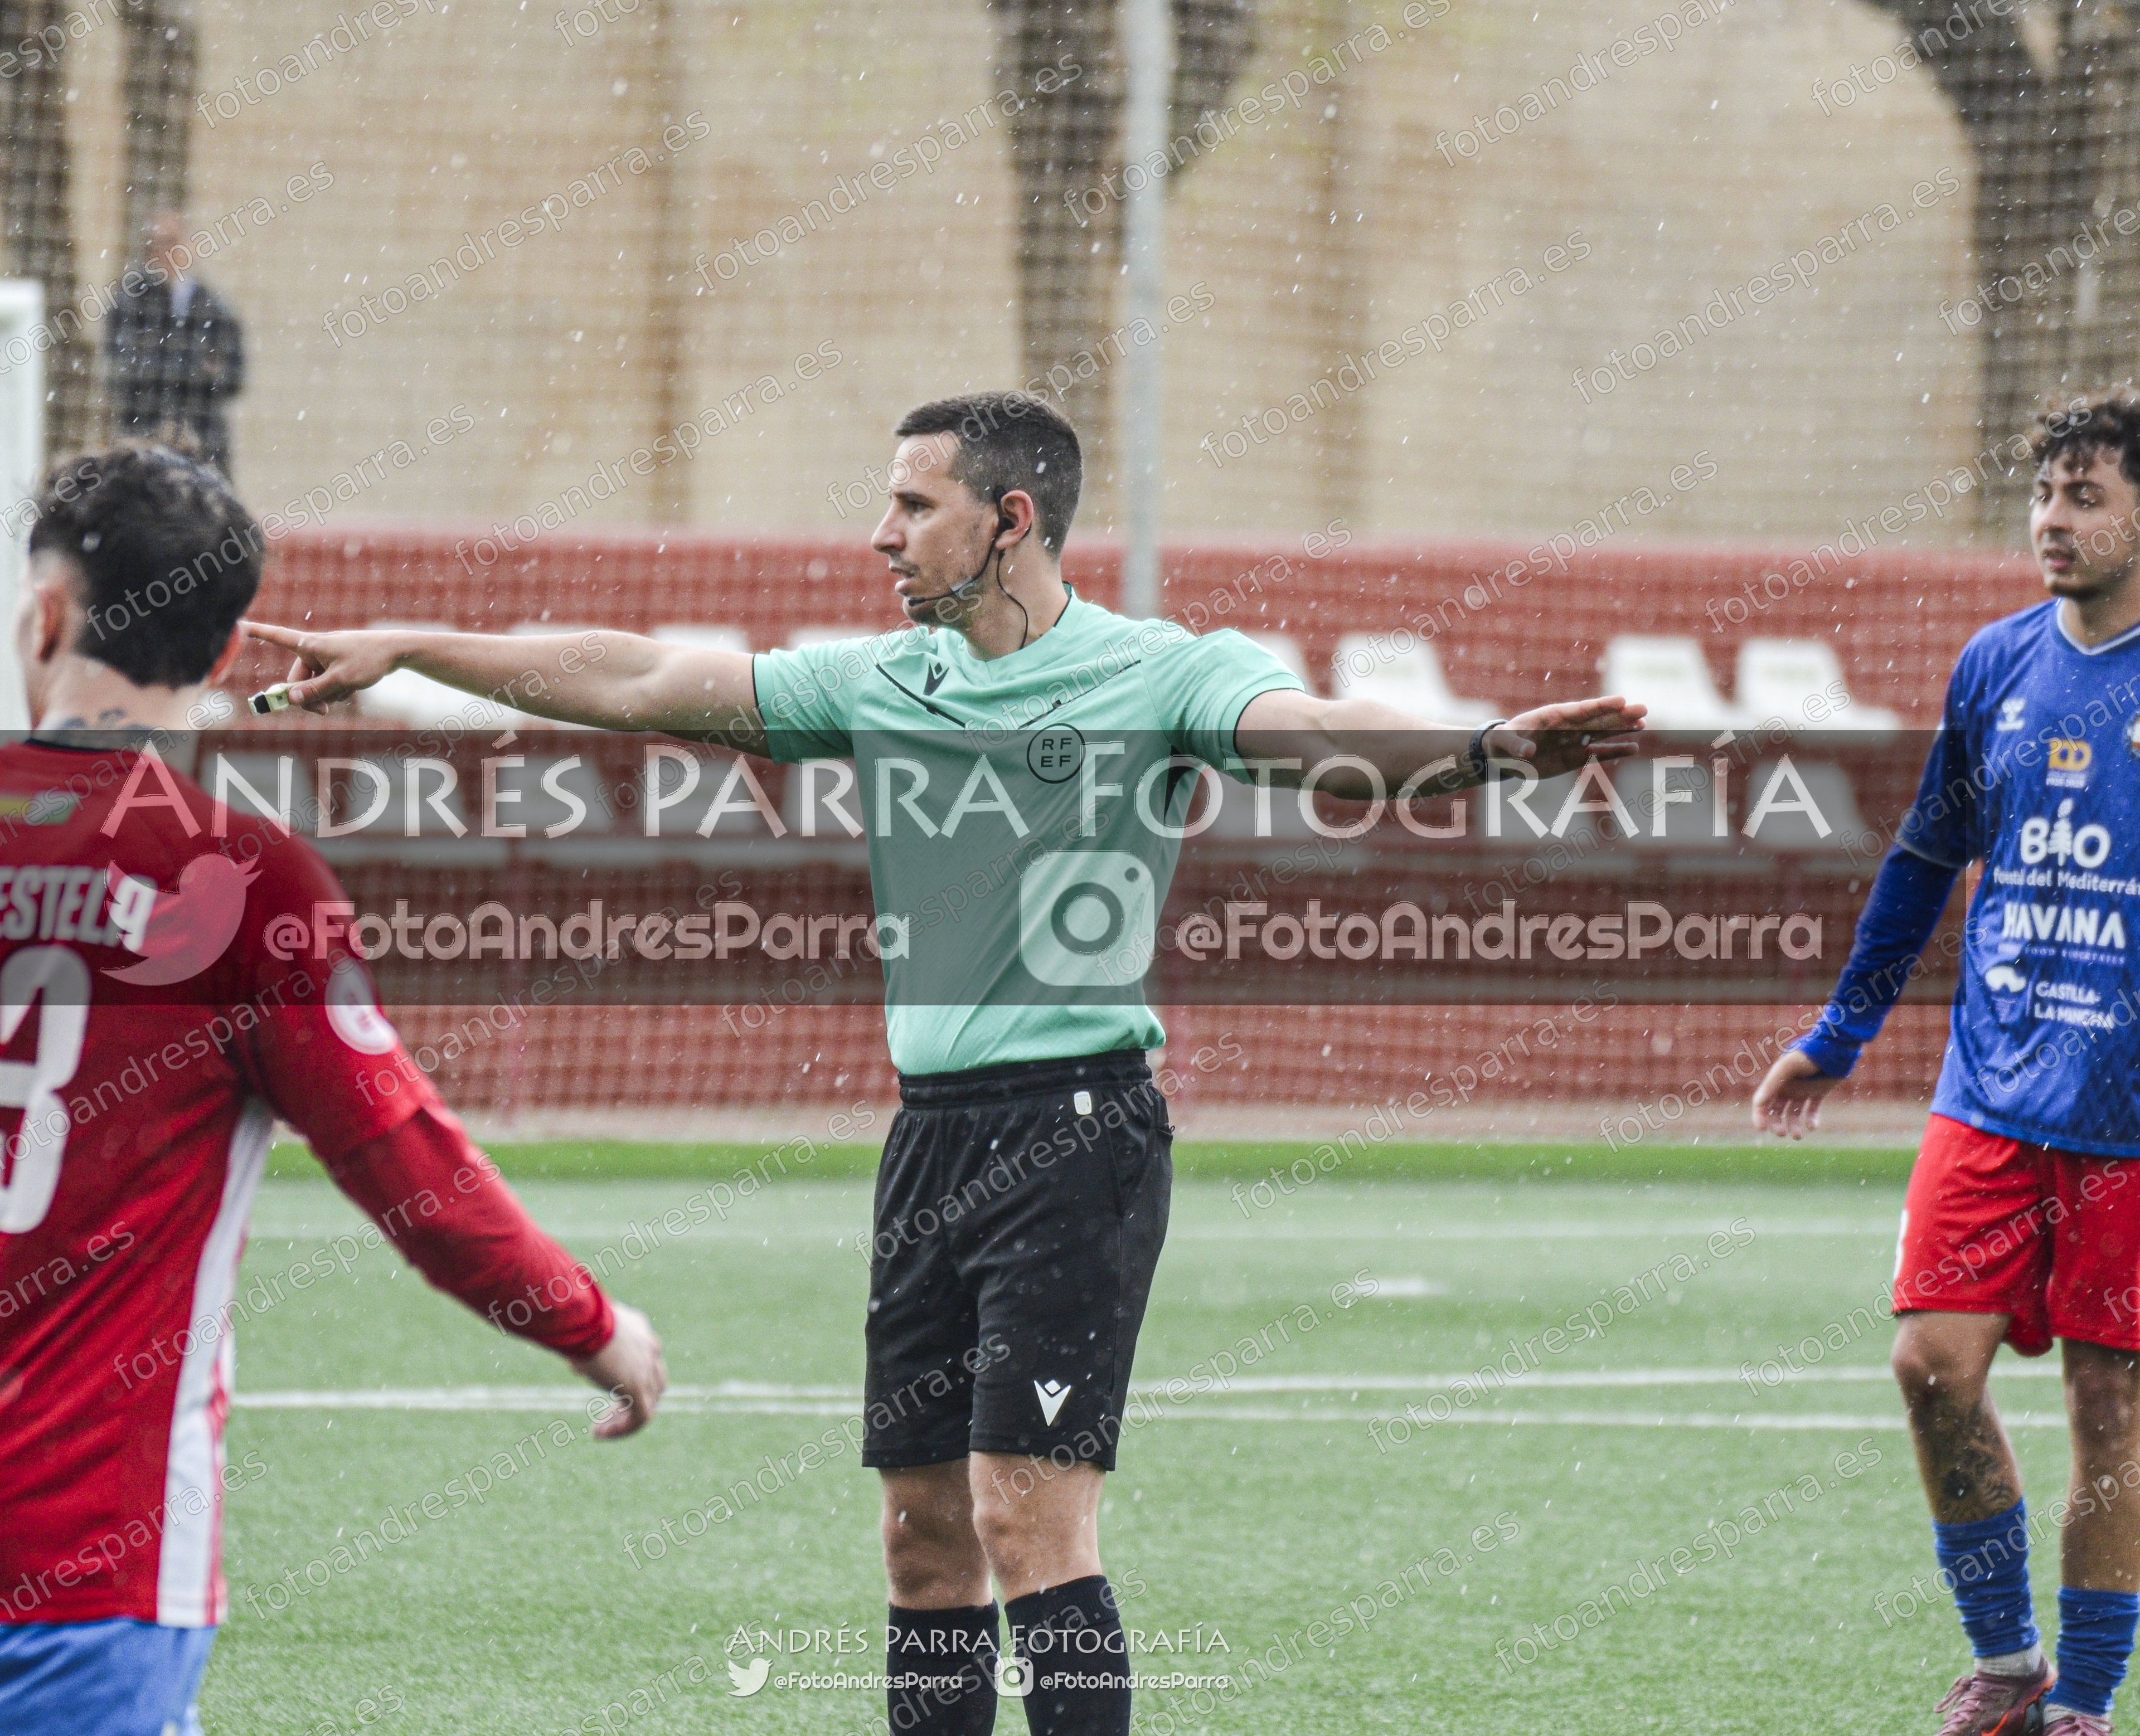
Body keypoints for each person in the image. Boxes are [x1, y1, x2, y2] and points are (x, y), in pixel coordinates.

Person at [244, 390, 1643, 1736]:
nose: (882, 533)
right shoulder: (882, 679)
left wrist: (1478, 753)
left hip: (1076, 1133)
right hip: (932, 1140)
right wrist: (414, 643)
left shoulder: (1165, 669)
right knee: (922, 1540)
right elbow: (641, 676)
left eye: (915, 505)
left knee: (1029, 1520)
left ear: (1011, 519)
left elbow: (1322, 742)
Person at [0, 443, 666, 1736]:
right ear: (222, 661)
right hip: (87, 1536)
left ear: (40, 619)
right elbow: (407, 1167)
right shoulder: (241, 884)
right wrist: (589, 1322)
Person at [1754, 398, 2140, 1736]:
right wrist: (1839, 1034)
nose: (2052, 519)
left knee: (2111, 1402)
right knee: (1932, 1366)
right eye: (2044, 493)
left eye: (2086, 495)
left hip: (2130, 1121)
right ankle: (2008, 1663)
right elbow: (1926, 858)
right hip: (1992, 1090)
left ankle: (2082, 1706)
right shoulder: (1996, 666)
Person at [104, 213, 247, 475]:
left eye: (171, 242)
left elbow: (234, 378)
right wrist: (196, 369)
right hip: (143, 438)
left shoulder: (216, 309)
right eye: (156, 244)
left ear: (191, 246)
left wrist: (172, 369)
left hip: (204, 441)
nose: (164, 252)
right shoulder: (131, 303)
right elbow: (125, 368)